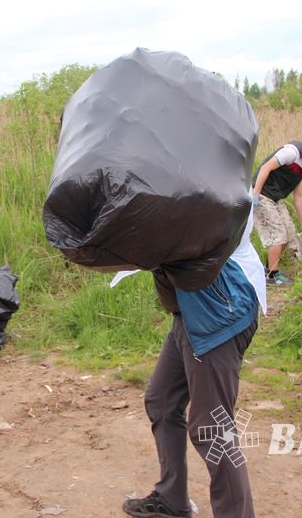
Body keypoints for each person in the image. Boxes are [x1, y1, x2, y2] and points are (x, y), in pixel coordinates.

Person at [123, 209, 267, 518]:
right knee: (161, 399)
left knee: (213, 428)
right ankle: (171, 498)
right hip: (189, 313)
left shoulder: (210, 181)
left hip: (217, 314)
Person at [250, 136, 302, 285]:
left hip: (275, 198)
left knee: (289, 234)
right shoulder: (291, 153)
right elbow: (265, 167)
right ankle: (272, 277)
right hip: (262, 195)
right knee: (278, 236)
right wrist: (255, 194)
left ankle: (269, 269)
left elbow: (298, 196)